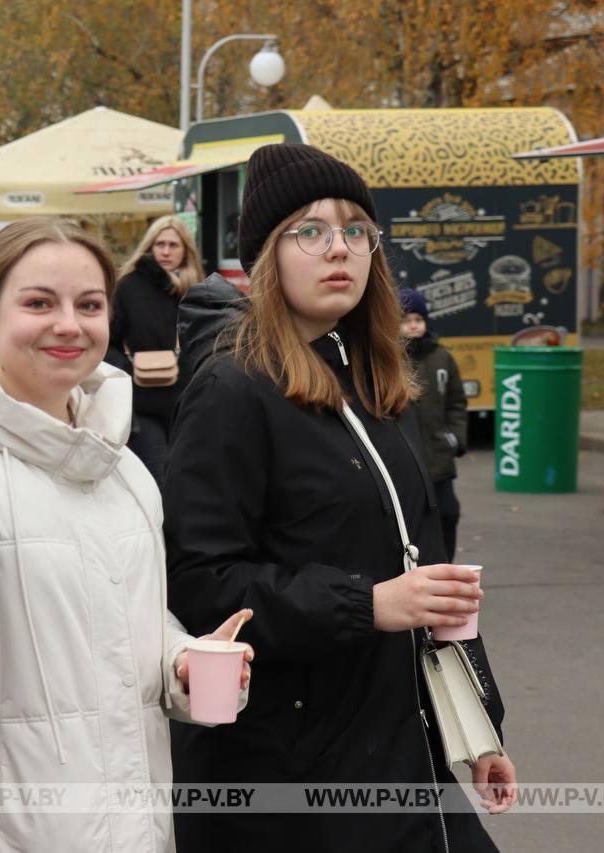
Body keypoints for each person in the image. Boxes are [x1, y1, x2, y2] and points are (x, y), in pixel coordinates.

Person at [164, 144, 516, 853]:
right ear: (267, 256)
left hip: (404, 743)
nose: (340, 248)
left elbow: (434, 581)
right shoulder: (231, 388)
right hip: (294, 774)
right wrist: (368, 603)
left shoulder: (382, 386)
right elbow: (199, 582)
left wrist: (477, 726)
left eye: (357, 229)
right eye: (312, 230)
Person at [0, 218, 252, 853]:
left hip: (133, 826)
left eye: (89, 305)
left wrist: (180, 660)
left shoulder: (123, 467)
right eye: (39, 302)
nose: (68, 324)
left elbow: (118, 629)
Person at [108, 215, 205, 481]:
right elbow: (108, 344)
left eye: (173, 245)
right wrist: (129, 369)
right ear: (149, 247)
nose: (165, 251)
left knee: (186, 479)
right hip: (143, 403)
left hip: (188, 405)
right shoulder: (128, 287)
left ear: (186, 250)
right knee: (157, 478)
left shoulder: (197, 289)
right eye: (159, 244)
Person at [401, 288, 468, 561]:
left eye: (418, 318)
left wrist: (455, 438)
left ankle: (445, 567)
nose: (413, 324)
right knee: (412, 522)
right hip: (405, 460)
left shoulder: (442, 358)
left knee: (448, 514)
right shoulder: (388, 358)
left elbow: (457, 403)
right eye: (406, 319)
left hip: (438, 456)